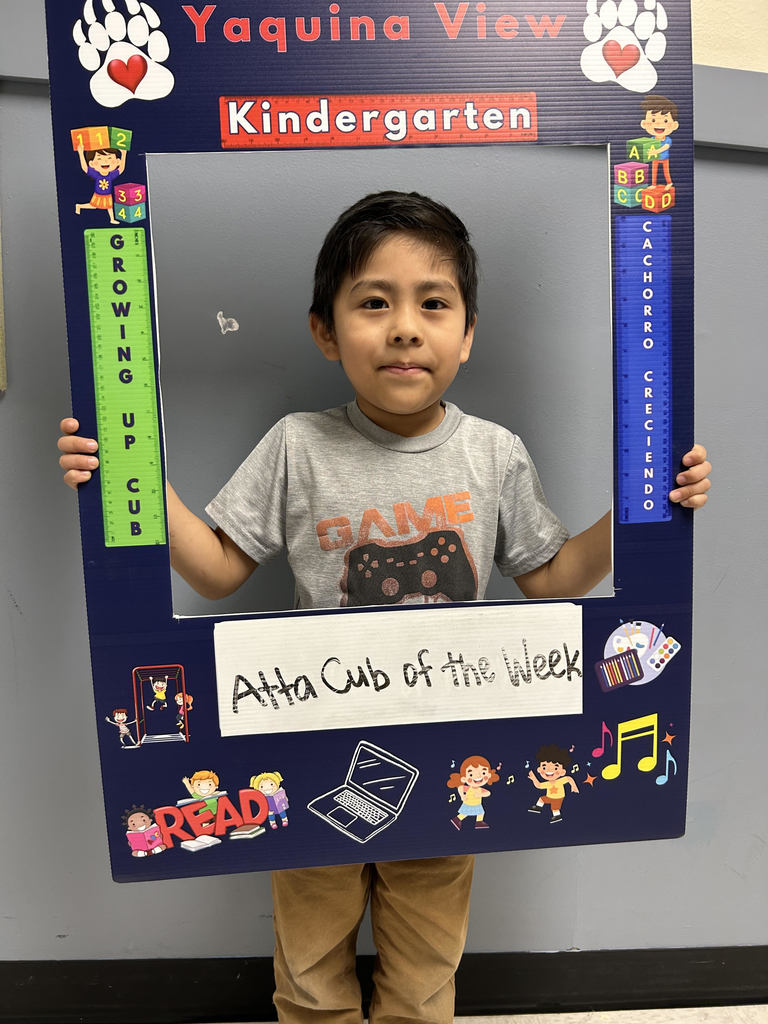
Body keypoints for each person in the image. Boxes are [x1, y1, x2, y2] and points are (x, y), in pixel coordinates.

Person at [58, 190, 711, 1022]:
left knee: (427, 966)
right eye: (374, 303)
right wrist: (132, 475)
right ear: (325, 331)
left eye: (433, 304)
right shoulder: (297, 444)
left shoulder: (494, 453)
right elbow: (218, 570)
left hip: (452, 758)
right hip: (312, 754)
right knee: (309, 966)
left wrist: (644, 506)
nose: (405, 328)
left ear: (467, 334)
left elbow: (549, 578)